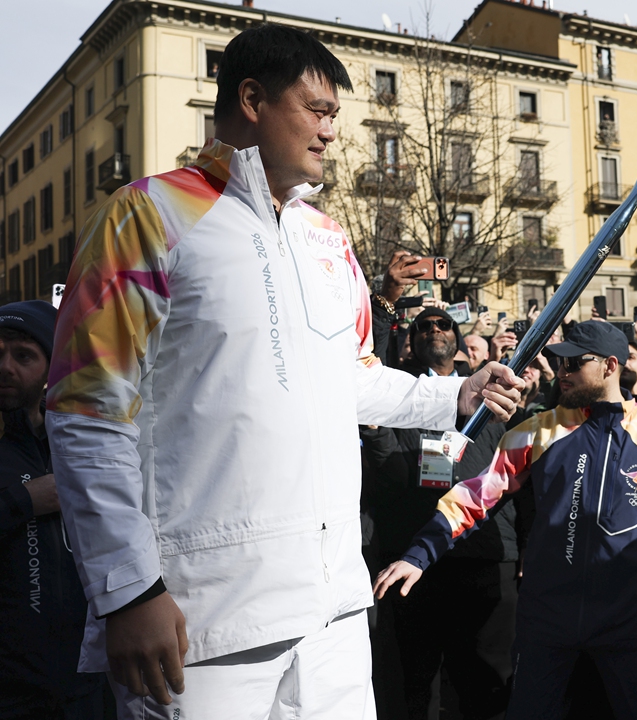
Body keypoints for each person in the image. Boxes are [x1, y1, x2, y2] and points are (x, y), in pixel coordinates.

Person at [44, 25, 522, 720]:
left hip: (331, 615)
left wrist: (456, 394)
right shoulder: (145, 216)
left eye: (335, 116)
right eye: (318, 111)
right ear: (251, 99)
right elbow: (88, 411)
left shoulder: (328, 238)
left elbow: (353, 379)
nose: (332, 132)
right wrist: (128, 591)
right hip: (200, 621)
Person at [374, 321, 637, 720]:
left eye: (573, 363)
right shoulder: (535, 432)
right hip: (548, 621)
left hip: (631, 622)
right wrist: (418, 554)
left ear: (610, 365)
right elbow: (476, 496)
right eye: (556, 361)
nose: (560, 371)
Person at [361, 306, 523, 720]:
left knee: (485, 683)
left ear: (457, 336)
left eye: (444, 324)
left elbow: (516, 472)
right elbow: (386, 473)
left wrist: (525, 546)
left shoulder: (493, 390)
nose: (435, 330)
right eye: (424, 326)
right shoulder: (402, 395)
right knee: (417, 685)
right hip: (413, 560)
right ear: (410, 341)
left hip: (485, 555)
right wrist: (377, 437)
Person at [0, 301, 111, 719]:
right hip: (13, 694)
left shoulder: (83, 445)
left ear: (52, 368)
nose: (6, 367)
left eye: (23, 355)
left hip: (87, 687)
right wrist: (26, 500)